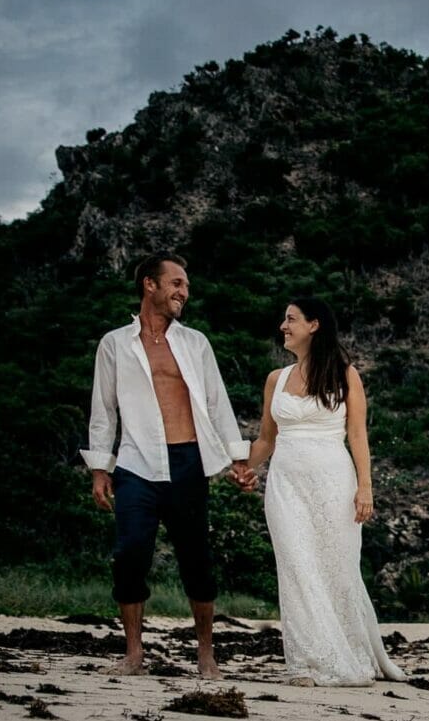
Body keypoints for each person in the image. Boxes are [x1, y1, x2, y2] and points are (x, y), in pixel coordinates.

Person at [82, 252, 254, 678]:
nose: (184, 292)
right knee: (130, 554)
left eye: (187, 286)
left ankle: (206, 654)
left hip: (188, 461)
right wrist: (100, 469)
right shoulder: (115, 344)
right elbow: (103, 409)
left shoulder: (195, 342)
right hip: (136, 464)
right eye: (176, 283)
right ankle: (134, 652)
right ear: (150, 285)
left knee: (196, 558)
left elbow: (217, 402)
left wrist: (238, 459)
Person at [243, 298, 406, 685]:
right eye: (284, 319)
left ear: (314, 325)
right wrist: (242, 468)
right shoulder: (275, 380)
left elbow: (357, 435)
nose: (283, 325)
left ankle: (348, 653)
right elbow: (266, 440)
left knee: (337, 568)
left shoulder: (345, 376)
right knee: (297, 567)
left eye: (291, 319)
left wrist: (365, 488)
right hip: (285, 485)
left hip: (334, 482)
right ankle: (308, 661)